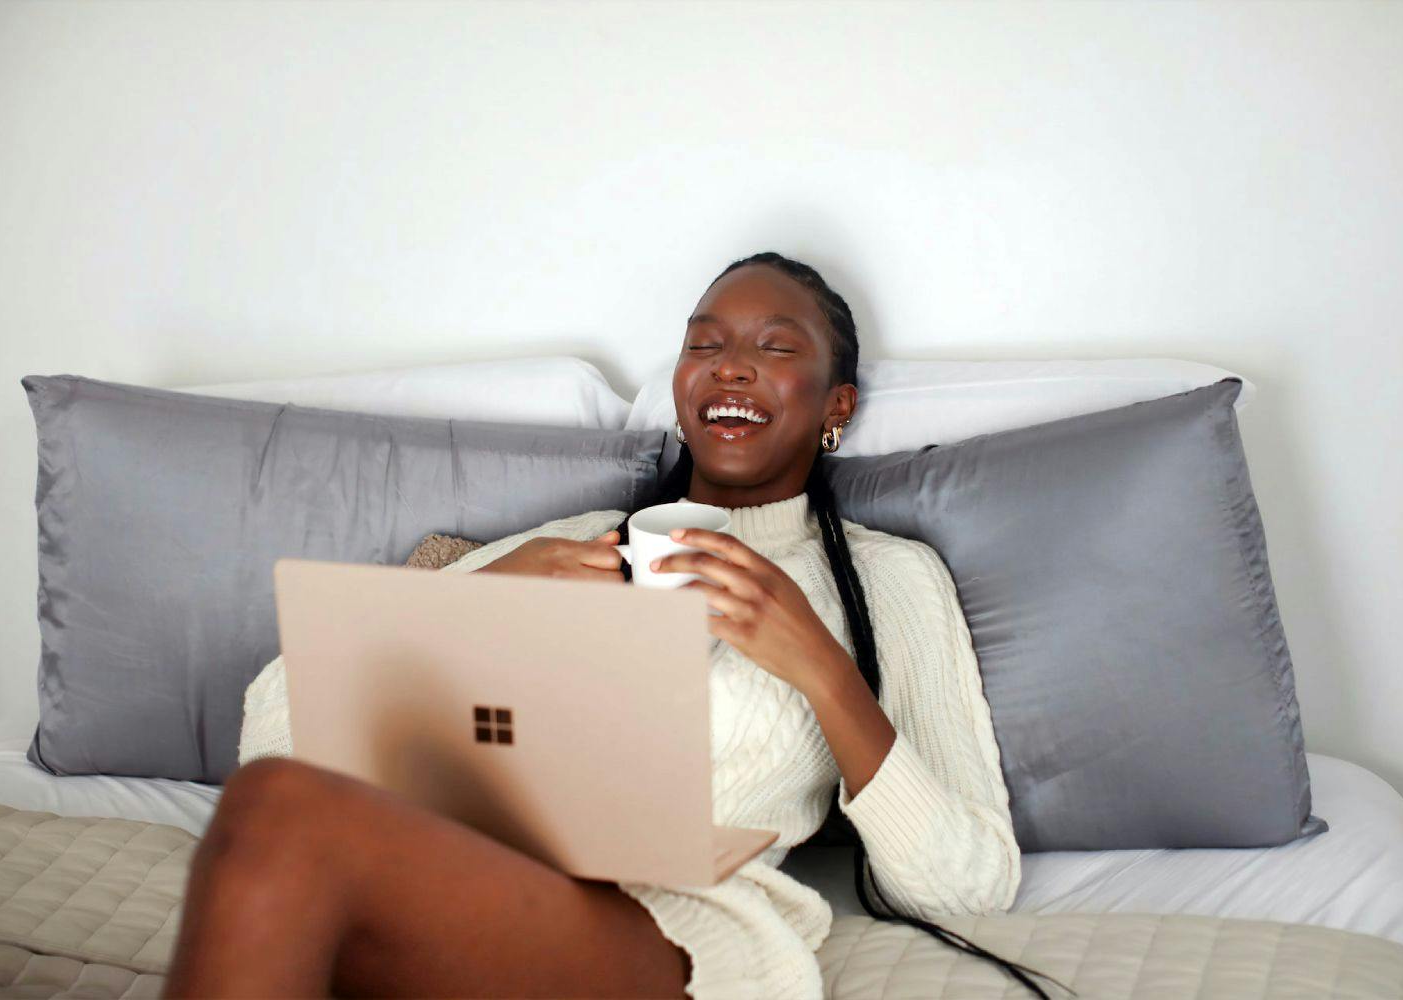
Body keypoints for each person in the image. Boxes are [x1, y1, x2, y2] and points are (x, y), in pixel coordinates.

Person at [163, 253, 1067, 999]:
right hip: (454, 882)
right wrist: (486, 602)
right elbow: (275, 734)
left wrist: (822, 670)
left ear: (837, 407)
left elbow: (972, 885)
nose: (730, 363)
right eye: (703, 344)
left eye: (774, 346)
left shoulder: (882, 580)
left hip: (661, 933)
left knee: (284, 821)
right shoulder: (561, 549)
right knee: (277, 808)